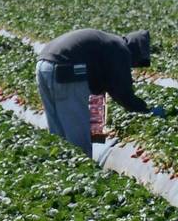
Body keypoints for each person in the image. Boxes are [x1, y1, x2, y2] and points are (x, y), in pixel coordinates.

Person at [37, 29, 164, 157]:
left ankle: (63, 164)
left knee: (58, 130)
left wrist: (97, 134)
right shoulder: (120, 50)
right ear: (135, 51)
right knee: (78, 135)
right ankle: (81, 165)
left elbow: (97, 92)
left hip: (43, 64)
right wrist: (146, 111)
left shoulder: (106, 45)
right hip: (67, 68)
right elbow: (122, 93)